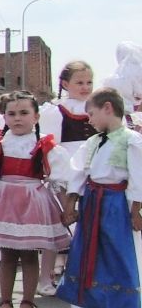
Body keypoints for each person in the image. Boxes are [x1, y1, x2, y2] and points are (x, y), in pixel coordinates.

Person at [0, 91, 72, 308]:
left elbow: (59, 181)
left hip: (32, 202)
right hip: (4, 200)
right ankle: (5, 301)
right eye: (12, 114)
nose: (18, 118)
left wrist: (67, 209)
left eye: (24, 113)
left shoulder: (44, 145)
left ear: (36, 117)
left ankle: (28, 301)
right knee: (6, 254)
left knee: (28, 254)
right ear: (4, 117)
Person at [57, 87, 142, 308]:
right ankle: (86, 307)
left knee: (121, 251)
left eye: (92, 114)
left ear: (107, 108)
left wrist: (137, 210)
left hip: (117, 201)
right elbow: (79, 173)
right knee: (86, 250)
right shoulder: (92, 143)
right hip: (93, 201)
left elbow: (139, 176)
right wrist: (71, 202)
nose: (90, 121)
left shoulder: (132, 141)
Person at [36, 60, 96, 295]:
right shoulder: (57, 109)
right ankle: (45, 277)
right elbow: (52, 145)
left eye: (89, 82)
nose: (85, 87)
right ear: (65, 84)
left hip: (92, 169)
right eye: (79, 82)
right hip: (66, 171)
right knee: (58, 223)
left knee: (88, 223)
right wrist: (55, 175)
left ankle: (83, 273)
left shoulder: (97, 105)